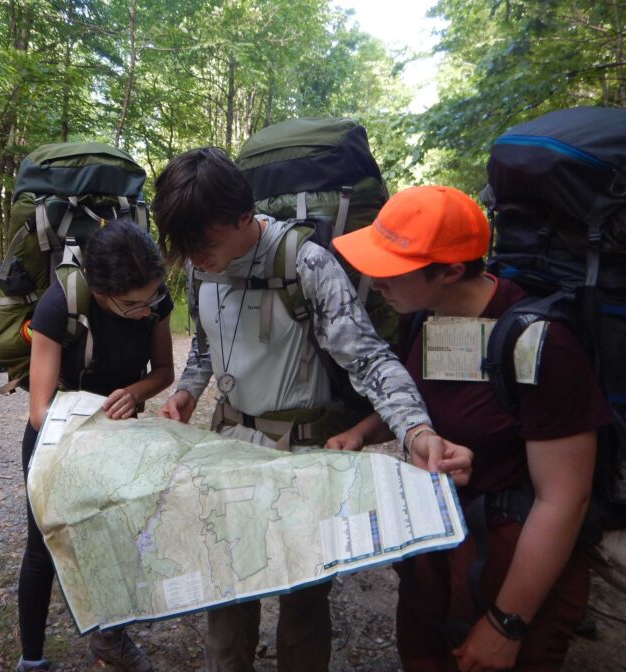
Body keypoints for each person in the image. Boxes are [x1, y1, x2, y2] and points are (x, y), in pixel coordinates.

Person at [151, 147, 473, 672]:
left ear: (241, 217)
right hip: (228, 449)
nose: (193, 258)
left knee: (302, 600)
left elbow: (366, 357)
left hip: (303, 455)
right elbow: (205, 350)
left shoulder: (305, 262)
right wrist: (188, 390)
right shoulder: (198, 266)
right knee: (226, 595)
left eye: (203, 244)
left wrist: (416, 429)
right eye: (184, 246)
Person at [330, 185, 612, 672]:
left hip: (513, 566)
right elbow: (419, 395)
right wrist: (362, 431)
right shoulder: (425, 317)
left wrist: (507, 624)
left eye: (389, 269)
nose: (373, 281)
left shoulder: (539, 345)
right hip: (440, 549)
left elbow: (565, 499)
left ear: (451, 271)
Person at [16, 219, 174, 672]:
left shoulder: (154, 301)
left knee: (116, 538)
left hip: (121, 436)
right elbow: (39, 411)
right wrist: (96, 416)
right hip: (58, 441)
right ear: (100, 291)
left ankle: (110, 641)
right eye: (131, 305)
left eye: (150, 301)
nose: (144, 312)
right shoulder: (59, 303)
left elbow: (163, 370)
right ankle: (32, 659)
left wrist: (137, 392)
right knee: (43, 548)